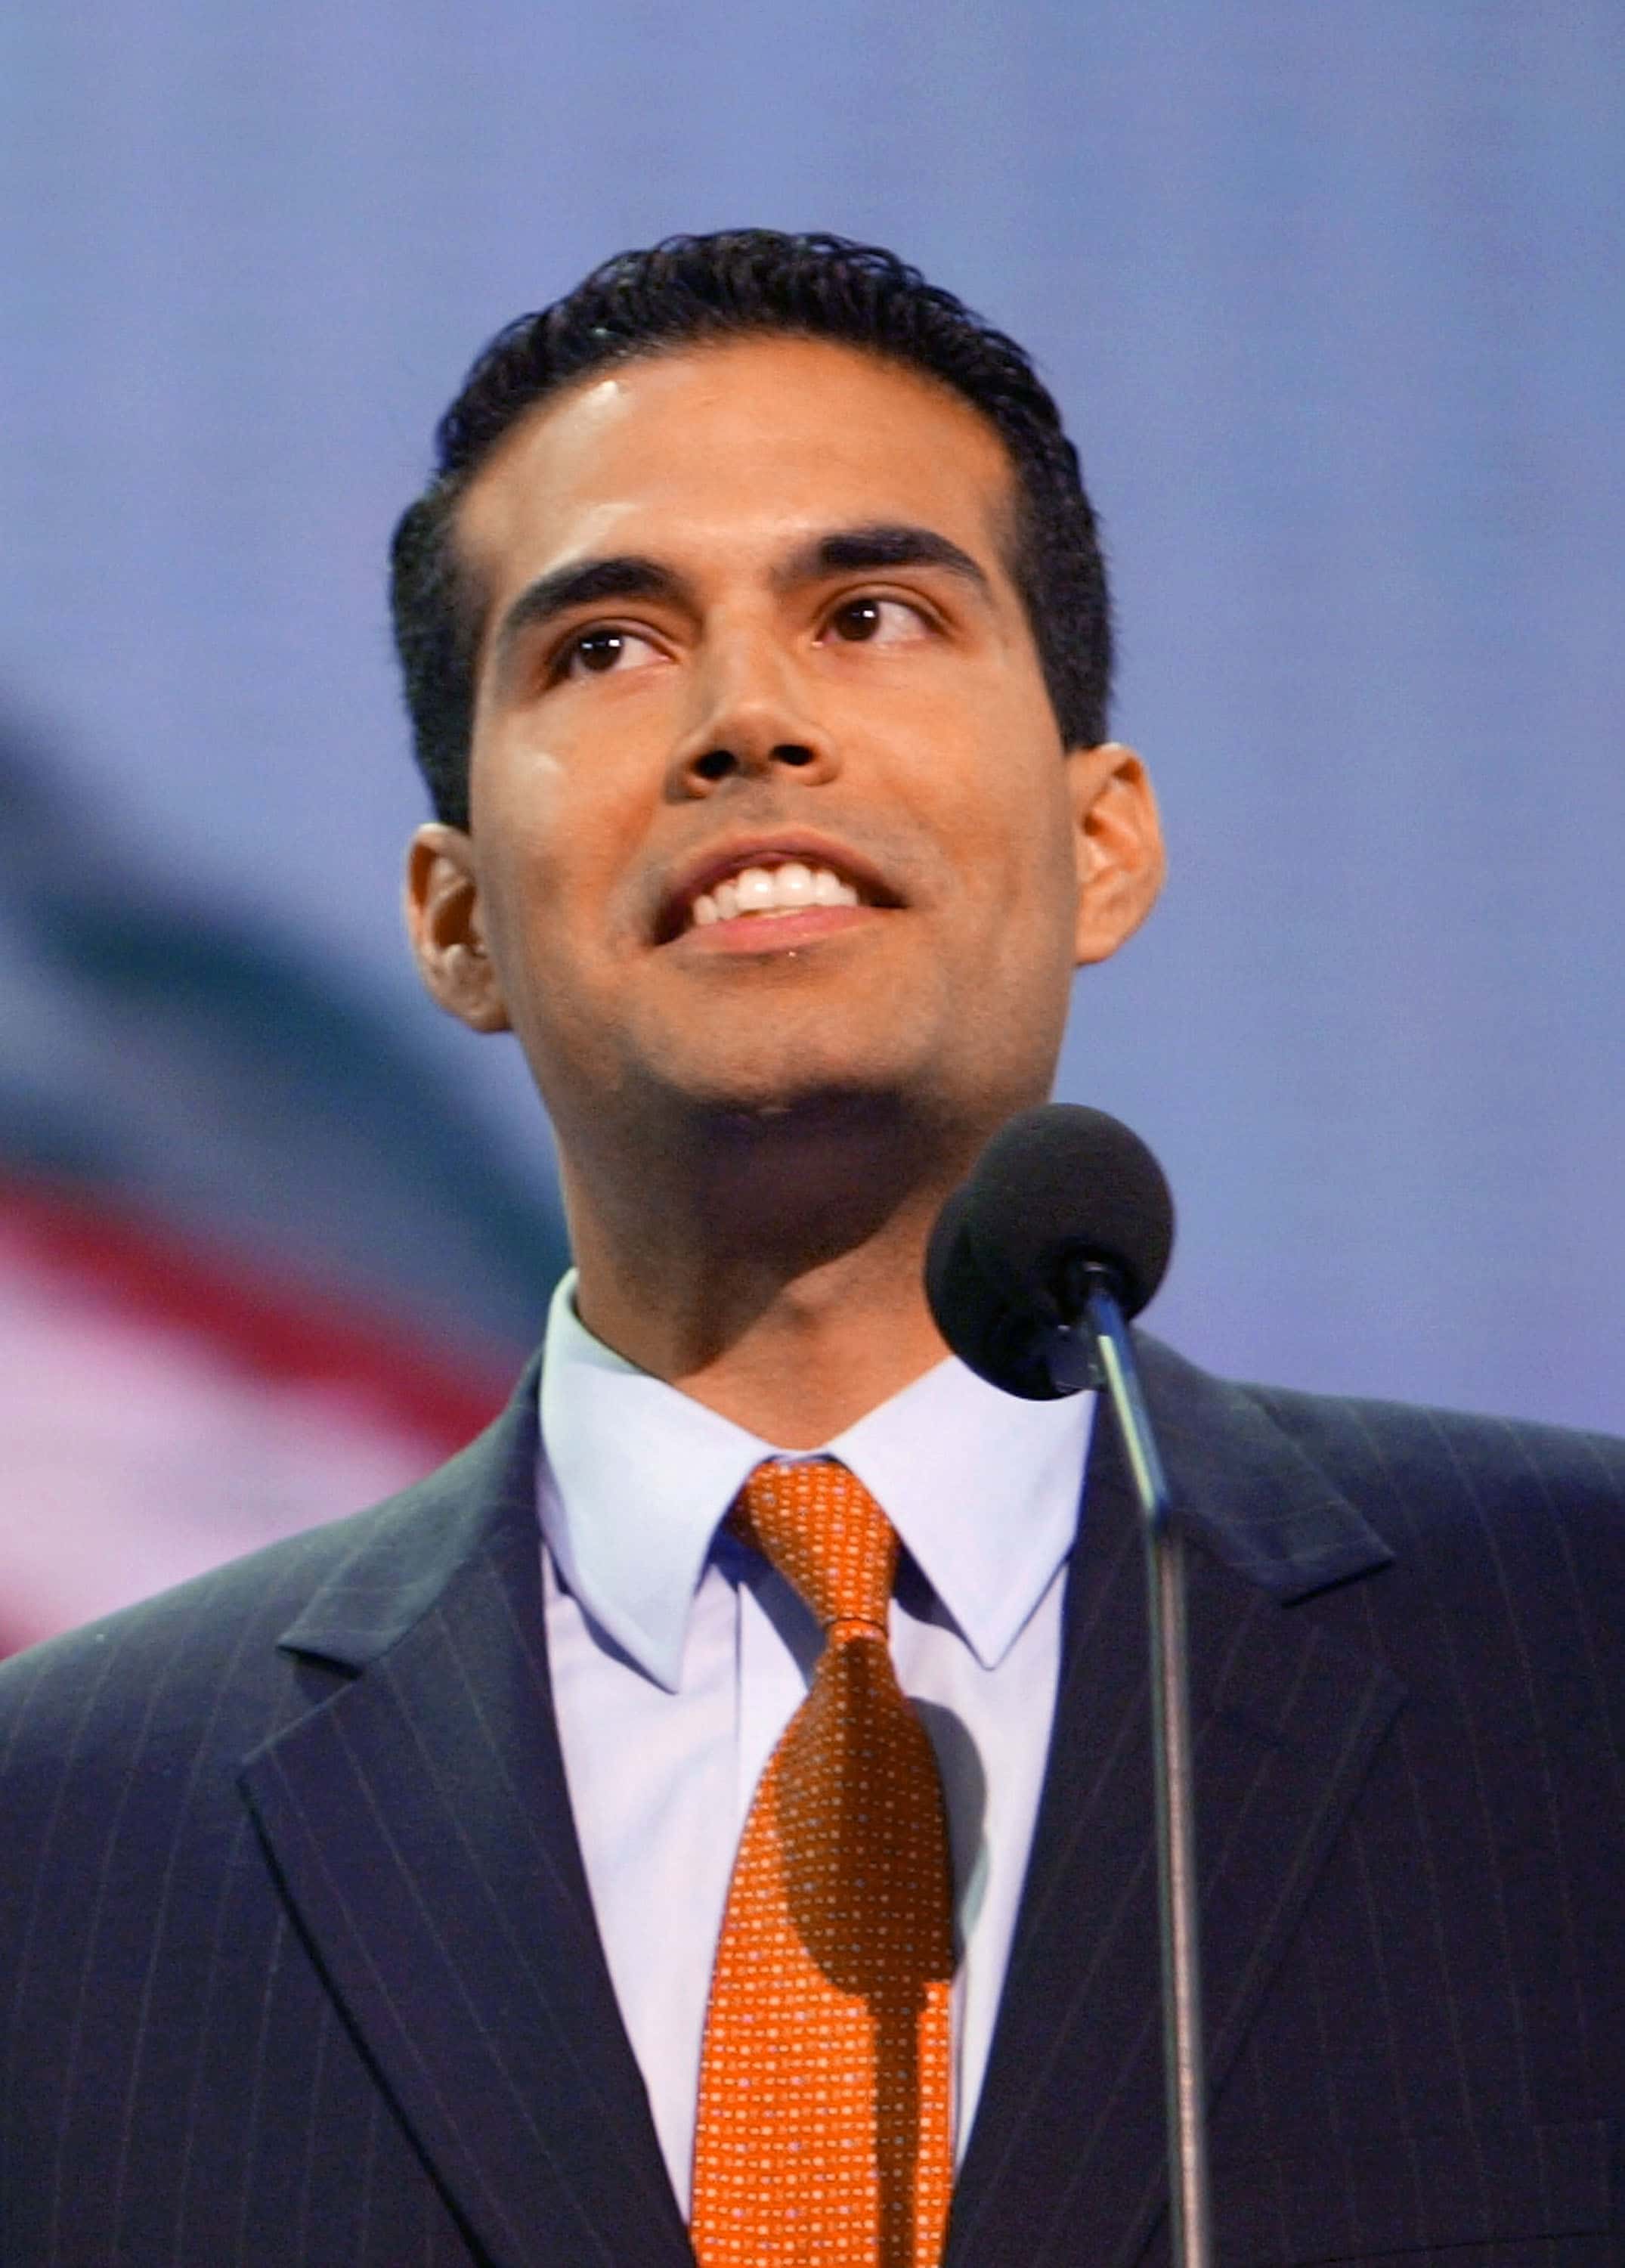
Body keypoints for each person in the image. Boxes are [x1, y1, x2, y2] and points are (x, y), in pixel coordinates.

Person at [2, 231, 1622, 2268]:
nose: (748, 718)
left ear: (1102, 838)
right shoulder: (65, 1826)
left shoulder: (1579, 1654)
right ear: (455, 921)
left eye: (871, 615)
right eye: (606, 646)